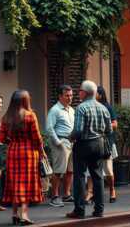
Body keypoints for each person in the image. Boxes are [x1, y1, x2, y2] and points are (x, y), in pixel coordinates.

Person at [66, 80, 112, 220]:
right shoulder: (103, 108)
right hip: (99, 144)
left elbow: (78, 130)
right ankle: (99, 210)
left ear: (84, 93)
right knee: (98, 176)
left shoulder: (81, 108)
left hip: (84, 144)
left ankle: (79, 210)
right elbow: (109, 129)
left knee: (80, 177)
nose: (78, 92)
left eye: (80, 90)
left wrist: (70, 137)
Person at [0, 89, 46, 225]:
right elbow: (37, 138)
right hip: (29, 153)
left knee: (15, 183)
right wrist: (42, 151)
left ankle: (14, 214)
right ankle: (24, 214)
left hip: (13, 152)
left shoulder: (6, 117)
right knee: (26, 183)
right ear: (26, 101)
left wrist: (12, 142)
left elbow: (2, 138)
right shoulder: (30, 116)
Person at [45, 85, 75, 208]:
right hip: (61, 141)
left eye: (71, 95)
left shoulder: (71, 110)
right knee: (58, 171)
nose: (70, 98)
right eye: (67, 95)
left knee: (70, 170)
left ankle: (66, 194)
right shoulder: (55, 110)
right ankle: (55, 196)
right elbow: (49, 128)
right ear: (60, 96)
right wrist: (58, 143)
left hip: (71, 142)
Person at [96, 86, 118, 202]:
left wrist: (103, 126)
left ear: (100, 94)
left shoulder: (107, 107)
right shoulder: (92, 107)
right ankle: (93, 193)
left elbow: (115, 124)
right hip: (94, 142)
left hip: (106, 142)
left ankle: (112, 190)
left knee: (108, 169)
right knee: (93, 170)